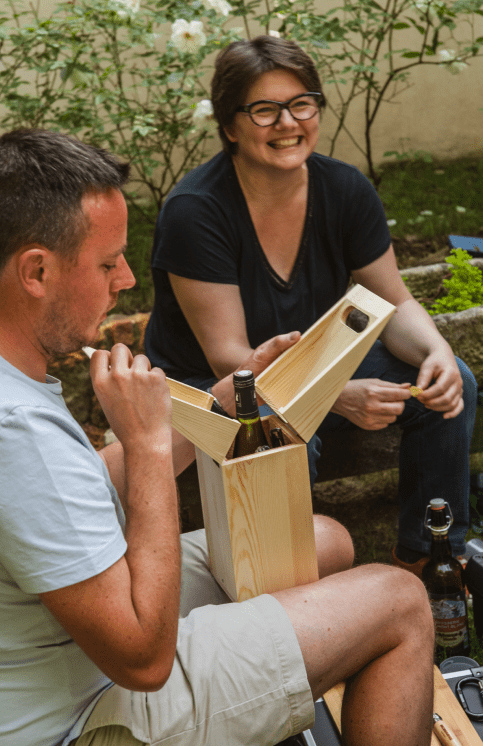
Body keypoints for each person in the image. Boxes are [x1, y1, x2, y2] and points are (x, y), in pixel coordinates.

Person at [0, 128, 436, 746]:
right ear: (36, 271)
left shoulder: (13, 383)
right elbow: (143, 661)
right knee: (399, 600)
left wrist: (230, 393)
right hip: (84, 714)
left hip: (74, 645)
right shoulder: (16, 431)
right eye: (106, 262)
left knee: (326, 541)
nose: (125, 278)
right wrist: (150, 447)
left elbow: (72, 492)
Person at [144, 35, 478, 577]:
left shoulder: (344, 189)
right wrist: (337, 394)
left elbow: (391, 300)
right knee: (280, 429)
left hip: (308, 373)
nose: (288, 123)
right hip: (211, 391)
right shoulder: (196, 213)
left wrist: (436, 351)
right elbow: (232, 359)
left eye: (301, 104)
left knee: (450, 381)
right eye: (264, 110)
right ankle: (287, 579)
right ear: (230, 126)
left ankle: (429, 561)